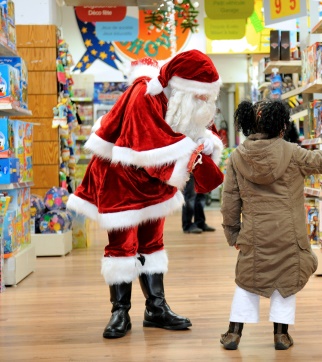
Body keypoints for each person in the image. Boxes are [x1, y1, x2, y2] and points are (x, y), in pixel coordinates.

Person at [66, 51, 225, 339]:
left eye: (207, 96)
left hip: (155, 182)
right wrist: (189, 155)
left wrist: (205, 144)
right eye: (200, 96)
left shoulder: (182, 100)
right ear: (182, 86)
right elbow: (145, 147)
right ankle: (120, 311)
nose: (204, 103)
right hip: (120, 177)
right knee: (123, 245)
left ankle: (156, 309)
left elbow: (197, 130)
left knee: (153, 242)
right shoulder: (144, 93)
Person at [220, 100, 322, 350]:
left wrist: (233, 233)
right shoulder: (293, 153)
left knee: (247, 281)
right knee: (286, 283)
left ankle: (234, 333)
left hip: (254, 234)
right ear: (280, 125)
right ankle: (281, 335)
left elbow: (229, 201)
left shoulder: (236, 158)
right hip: (289, 234)